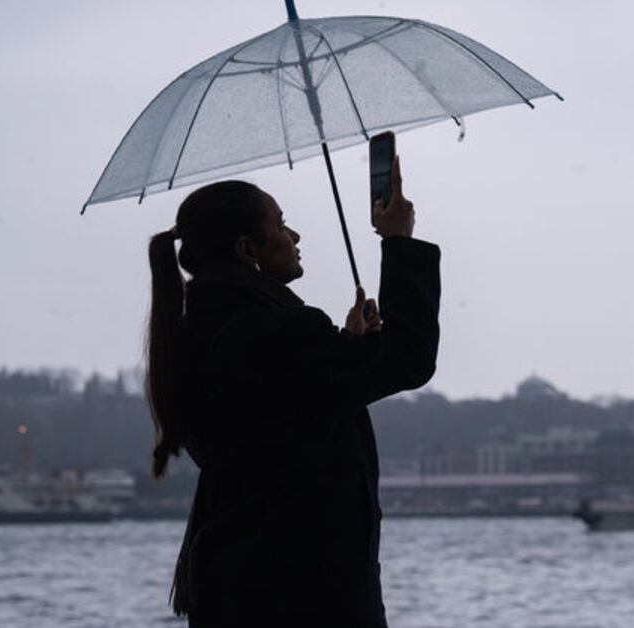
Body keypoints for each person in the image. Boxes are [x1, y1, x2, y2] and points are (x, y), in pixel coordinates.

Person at [144, 151, 440, 627]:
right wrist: (398, 241)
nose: (294, 235)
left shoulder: (195, 337)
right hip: (306, 594)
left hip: (232, 592)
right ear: (248, 250)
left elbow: (283, 424)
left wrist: (345, 347)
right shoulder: (282, 334)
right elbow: (409, 358)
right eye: (281, 224)